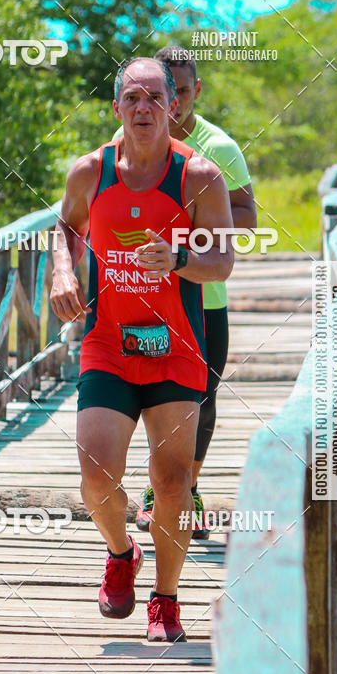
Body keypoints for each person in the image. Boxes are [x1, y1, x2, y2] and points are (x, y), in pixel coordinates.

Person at [50, 57, 234, 642]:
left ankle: (166, 599)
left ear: (173, 107)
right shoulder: (90, 172)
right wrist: (63, 271)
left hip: (176, 345)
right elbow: (65, 228)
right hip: (108, 341)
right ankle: (121, 552)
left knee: (173, 479)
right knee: (96, 475)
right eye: (132, 98)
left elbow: (223, 259)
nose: (144, 108)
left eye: (156, 98)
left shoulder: (200, 176)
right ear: (117, 109)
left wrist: (181, 258)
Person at [113, 47, 257, 539]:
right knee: (143, 396)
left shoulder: (220, 149)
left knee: (201, 396)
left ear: (195, 92)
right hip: (137, 298)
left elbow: (248, 219)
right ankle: (159, 490)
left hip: (202, 299)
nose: (170, 107)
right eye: (160, 94)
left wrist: (186, 241)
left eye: (182, 93)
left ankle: (182, 489)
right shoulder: (128, 137)